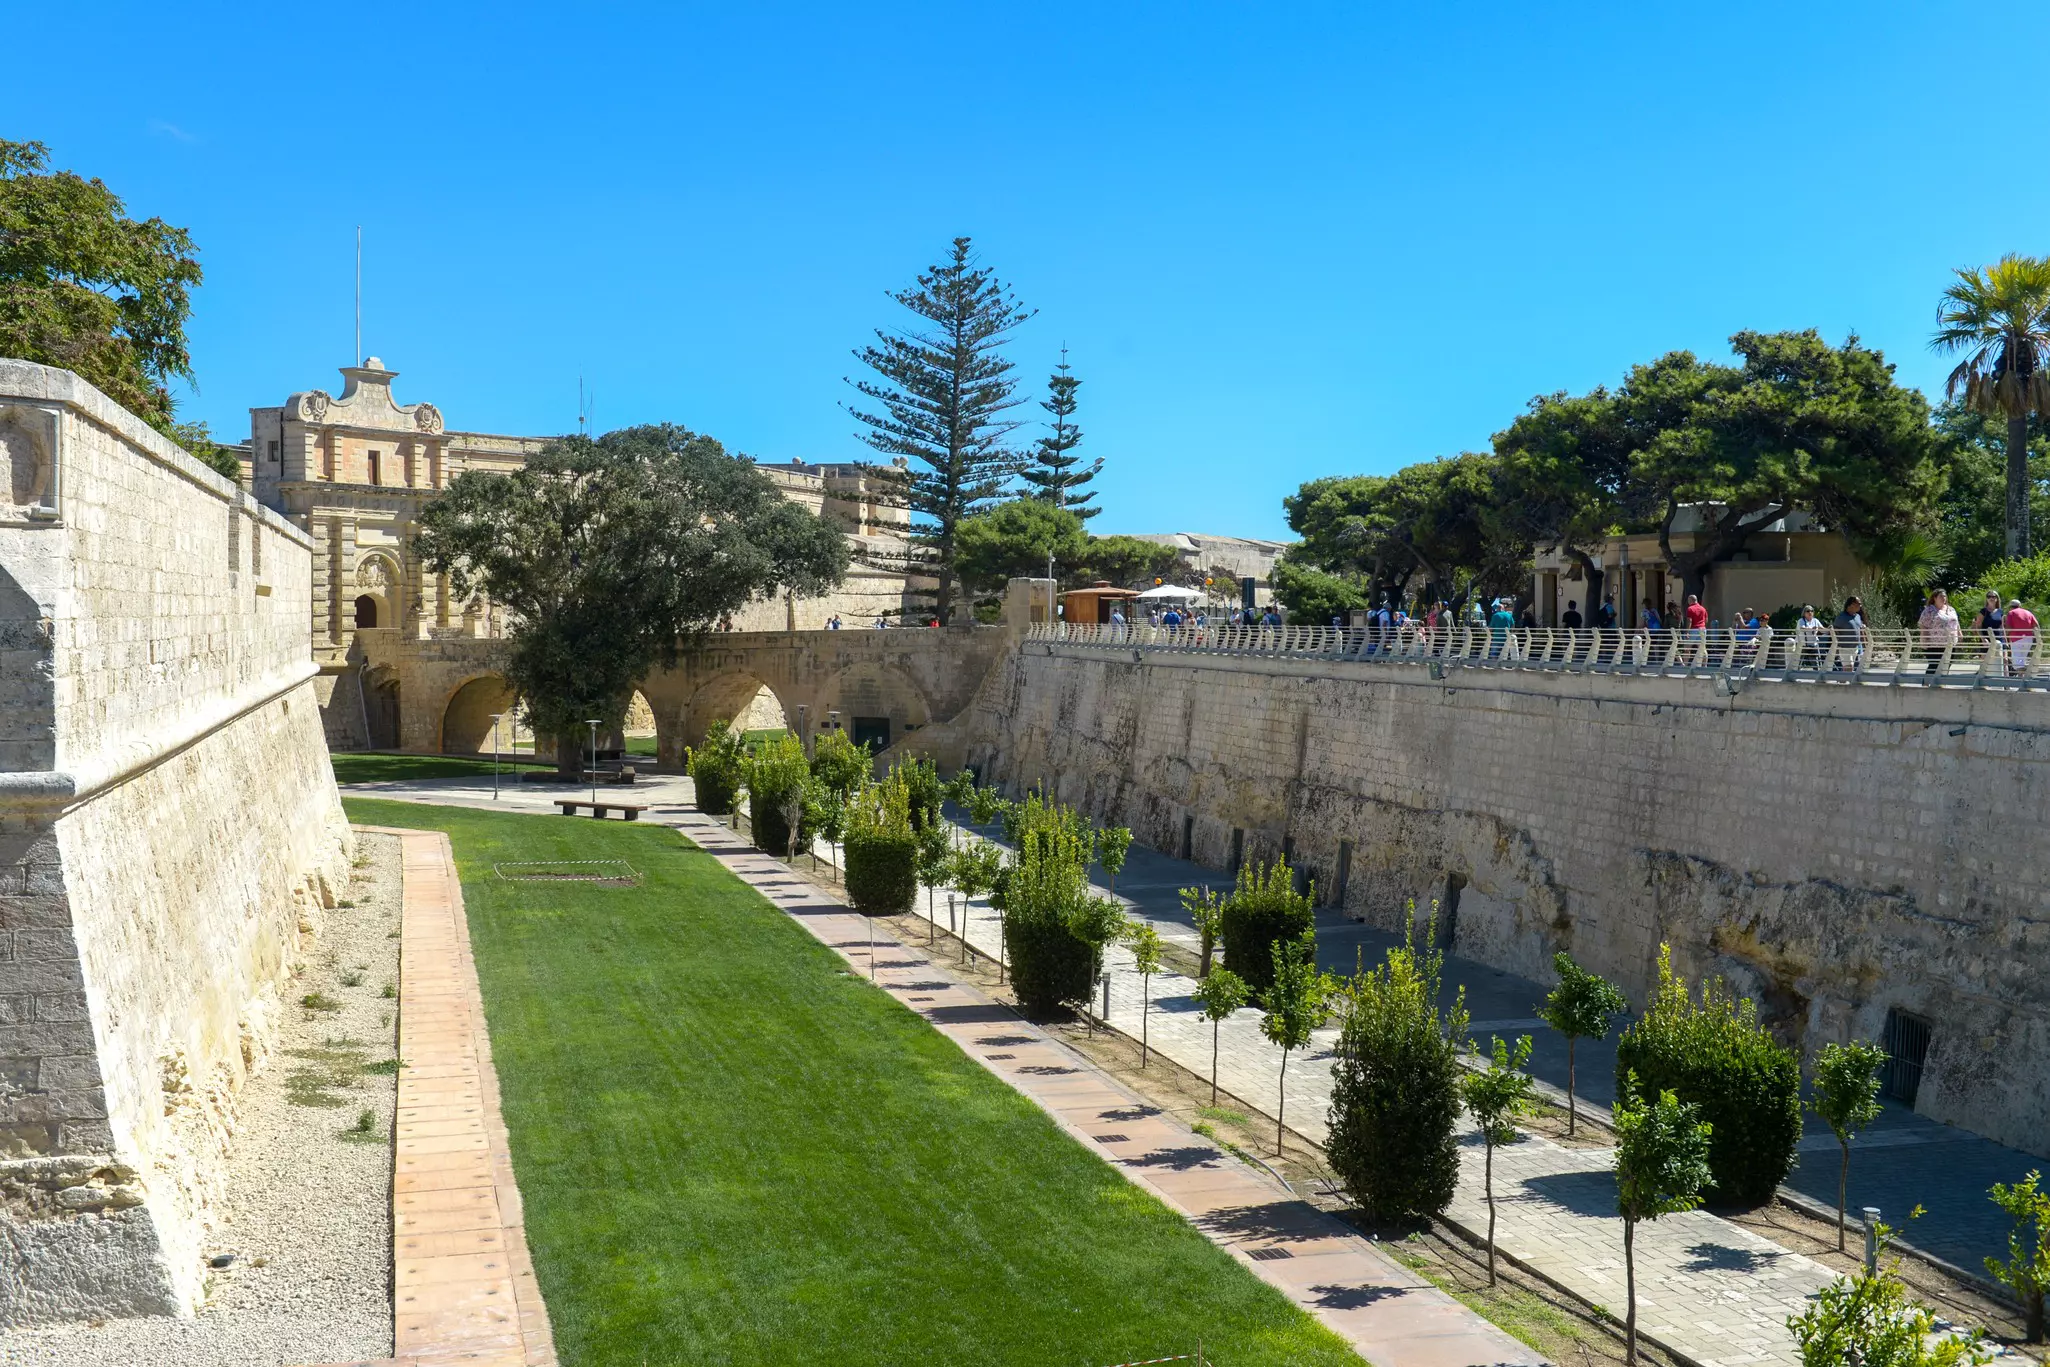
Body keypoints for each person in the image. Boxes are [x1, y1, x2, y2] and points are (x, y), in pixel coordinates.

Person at [1917, 588, 1960, 675]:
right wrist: (1925, 640)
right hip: (1934, 644)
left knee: (1946, 665)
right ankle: (1927, 682)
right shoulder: (1929, 610)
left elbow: (1956, 623)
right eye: (1941, 596)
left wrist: (1960, 634)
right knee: (1935, 666)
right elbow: (1923, 625)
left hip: (1950, 643)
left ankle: (1941, 683)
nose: (1943, 598)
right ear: (1935, 598)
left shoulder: (1951, 609)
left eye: (1945, 596)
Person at [2003, 598, 2038, 676]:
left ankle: (2028, 673)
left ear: (2010, 606)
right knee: (2022, 661)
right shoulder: (2028, 612)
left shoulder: (2011, 613)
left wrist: (2006, 637)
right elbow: (2036, 625)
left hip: (2017, 640)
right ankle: (2021, 680)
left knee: (2017, 664)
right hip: (2029, 639)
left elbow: (2009, 628)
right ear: (2020, 606)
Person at [1976, 590, 2006, 674]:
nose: (1991, 598)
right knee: (1985, 661)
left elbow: (2002, 627)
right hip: (1987, 639)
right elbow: (1978, 626)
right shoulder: (1983, 611)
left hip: (1999, 638)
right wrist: (1983, 639)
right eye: (1989, 596)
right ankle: (1982, 680)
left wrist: (2006, 640)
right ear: (1986, 599)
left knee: (2004, 660)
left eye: (1993, 596)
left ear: (1997, 599)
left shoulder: (2000, 611)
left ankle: (2004, 681)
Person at [1832, 596, 1866, 672]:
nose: (1860, 606)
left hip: (1855, 648)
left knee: (1850, 669)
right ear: (1852, 604)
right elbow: (1835, 630)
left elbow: (1860, 630)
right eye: (1859, 603)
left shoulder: (1857, 616)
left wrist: (1865, 645)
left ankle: (1842, 679)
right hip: (1845, 648)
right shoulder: (1841, 617)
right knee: (1849, 669)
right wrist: (1837, 645)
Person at [1794, 605, 1826, 669]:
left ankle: (1817, 674)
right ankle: (1795, 673)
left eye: (1812, 611)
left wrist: (1829, 629)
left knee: (1815, 664)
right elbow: (1802, 628)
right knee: (1798, 664)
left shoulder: (1815, 620)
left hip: (1813, 645)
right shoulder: (1801, 620)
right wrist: (1812, 629)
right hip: (1802, 645)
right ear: (1804, 613)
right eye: (1808, 611)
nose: (1810, 612)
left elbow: (1822, 629)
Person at [1683, 593, 1708, 663]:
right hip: (1702, 629)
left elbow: (1689, 621)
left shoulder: (1690, 608)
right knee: (1703, 649)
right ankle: (1704, 665)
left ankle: (1685, 665)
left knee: (1687, 648)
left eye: (1688, 600)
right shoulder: (1703, 609)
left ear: (1690, 600)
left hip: (1693, 629)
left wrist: (1687, 632)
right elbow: (1706, 620)